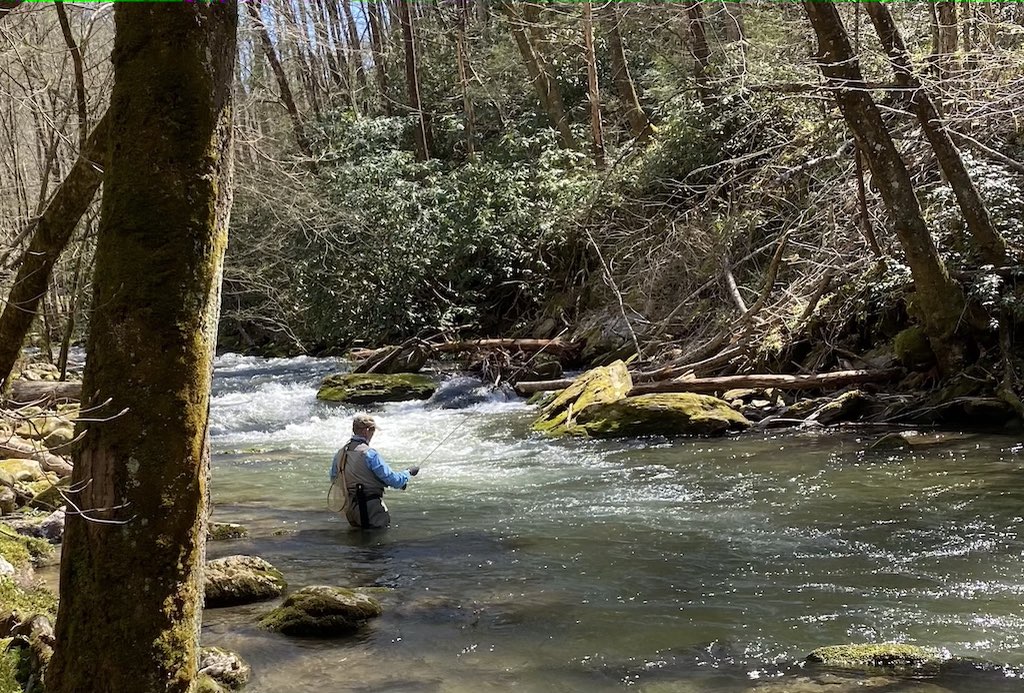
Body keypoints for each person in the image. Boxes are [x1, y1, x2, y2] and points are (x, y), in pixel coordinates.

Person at [329, 413, 419, 529]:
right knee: (378, 544)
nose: (372, 435)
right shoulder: (369, 454)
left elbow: (334, 478)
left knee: (357, 544)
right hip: (371, 508)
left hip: (351, 509)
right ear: (366, 431)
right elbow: (394, 480)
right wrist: (408, 473)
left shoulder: (340, 453)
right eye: (373, 431)